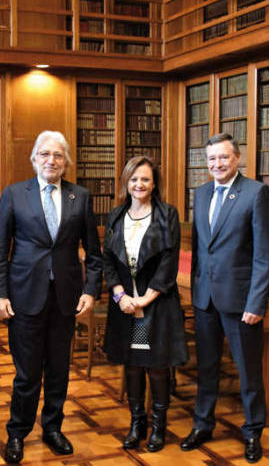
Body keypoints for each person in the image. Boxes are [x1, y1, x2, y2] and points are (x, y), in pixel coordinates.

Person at [0, 130, 102, 464]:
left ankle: (53, 428)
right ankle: (17, 432)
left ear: (65, 162)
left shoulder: (79, 197)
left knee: (59, 369)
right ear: (34, 159)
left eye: (57, 155)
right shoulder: (14, 195)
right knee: (27, 373)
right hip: (24, 297)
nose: (51, 160)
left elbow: (94, 254)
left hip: (65, 298)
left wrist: (91, 290)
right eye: (45, 154)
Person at [180, 133, 269, 464]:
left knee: (249, 372)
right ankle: (203, 424)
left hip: (240, 302)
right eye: (211, 159)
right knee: (206, 368)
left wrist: (256, 303)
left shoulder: (256, 193)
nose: (217, 164)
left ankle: (252, 432)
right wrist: (195, 291)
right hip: (205, 299)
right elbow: (200, 249)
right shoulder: (202, 193)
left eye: (223, 158)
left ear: (237, 158)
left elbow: (265, 255)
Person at [101, 156, 187, 453]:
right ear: (126, 181)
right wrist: (120, 296)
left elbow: (168, 262)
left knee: (157, 367)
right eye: (134, 179)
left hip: (156, 305)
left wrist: (145, 299)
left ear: (154, 184)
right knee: (134, 366)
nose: (139, 184)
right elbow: (108, 261)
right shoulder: (115, 216)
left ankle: (158, 427)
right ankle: (137, 424)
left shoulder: (167, 215)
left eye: (146, 179)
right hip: (125, 306)